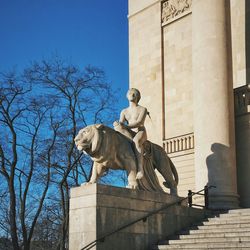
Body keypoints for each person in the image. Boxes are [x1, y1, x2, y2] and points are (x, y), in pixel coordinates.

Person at [113, 88, 148, 179]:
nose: (132, 94)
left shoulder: (142, 109)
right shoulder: (124, 111)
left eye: (134, 93)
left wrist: (126, 127)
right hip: (129, 131)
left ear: (138, 97)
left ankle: (140, 169)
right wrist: (117, 124)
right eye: (130, 93)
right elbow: (121, 124)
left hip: (140, 131)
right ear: (127, 96)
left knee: (136, 141)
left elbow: (139, 122)